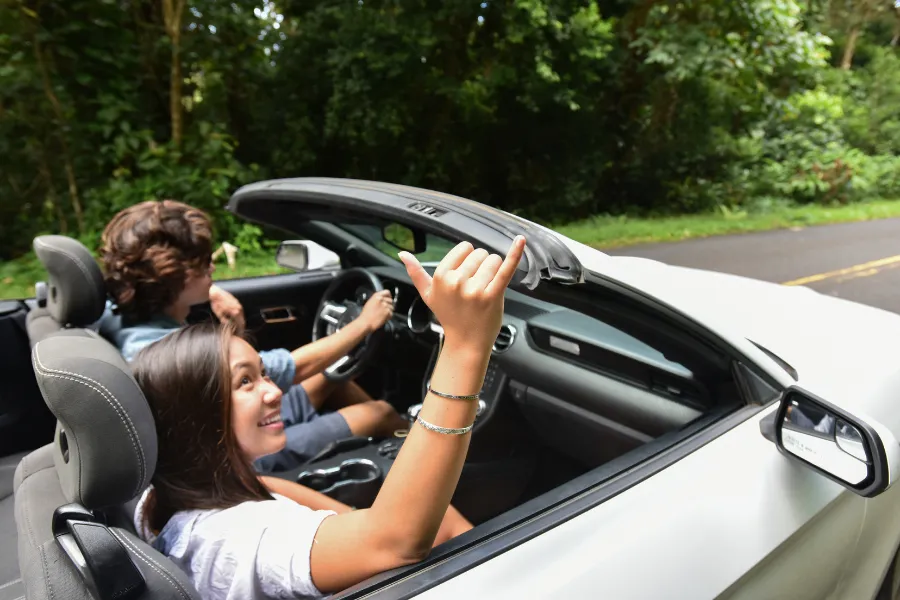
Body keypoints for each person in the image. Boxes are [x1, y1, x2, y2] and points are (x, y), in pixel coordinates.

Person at [131, 236, 526, 599]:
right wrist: (467, 344)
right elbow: (393, 542)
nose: (274, 392)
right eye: (245, 382)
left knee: (444, 521)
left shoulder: (160, 495)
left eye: (263, 374)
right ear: (193, 417)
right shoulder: (240, 541)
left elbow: (338, 514)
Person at [99, 199, 408, 468]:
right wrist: (364, 323)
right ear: (179, 275)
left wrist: (229, 322)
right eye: (205, 264)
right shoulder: (165, 350)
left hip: (232, 417)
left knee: (332, 376)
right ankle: (425, 452)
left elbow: (232, 378)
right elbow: (287, 369)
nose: (213, 271)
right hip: (237, 455)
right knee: (379, 413)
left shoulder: (124, 316)